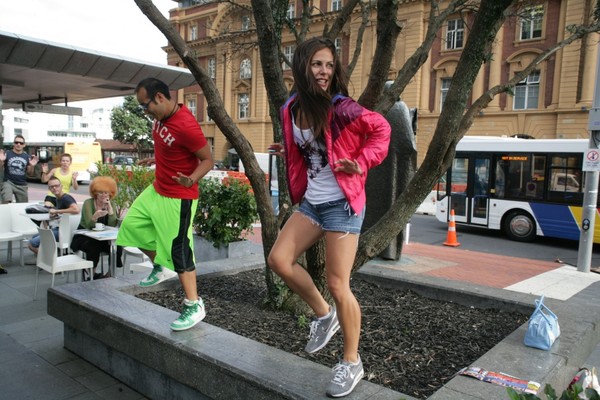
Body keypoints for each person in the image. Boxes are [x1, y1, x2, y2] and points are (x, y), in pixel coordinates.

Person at [267, 37, 391, 398]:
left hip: (343, 203)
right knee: (278, 259)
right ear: (302, 66)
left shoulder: (342, 107)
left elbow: (381, 129)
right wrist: (288, 147)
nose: (323, 72)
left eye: (329, 65)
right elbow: (308, 147)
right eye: (317, 64)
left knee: (339, 284)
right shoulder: (290, 108)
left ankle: (351, 362)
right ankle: (324, 316)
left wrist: (362, 161)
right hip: (313, 202)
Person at [116, 77, 214, 331]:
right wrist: (156, 162)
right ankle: (160, 267)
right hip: (157, 188)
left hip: (178, 196)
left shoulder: (186, 126)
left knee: (179, 249)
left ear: (159, 98)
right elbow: (170, 149)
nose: (144, 111)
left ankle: (194, 304)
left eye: (144, 105)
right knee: (131, 227)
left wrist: (190, 179)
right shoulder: (161, 120)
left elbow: (207, 160)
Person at [70, 176, 122, 280]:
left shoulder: (111, 203)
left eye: (106, 193)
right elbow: (89, 225)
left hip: (101, 237)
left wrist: (111, 209)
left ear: (110, 193)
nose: (103, 195)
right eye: (100, 192)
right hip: (84, 236)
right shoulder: (88, 203)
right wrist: (95, 216)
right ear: (95, 192)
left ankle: (110, 273)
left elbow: (112, 225)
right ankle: (91, 274)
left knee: (118, 245)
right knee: (93, 246)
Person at [27, 177, 79, 254]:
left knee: (31, 244)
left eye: (57, 185)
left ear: (61, 186)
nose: (54, 188)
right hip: (61, 228)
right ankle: (50, 257)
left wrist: (57, 211)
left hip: (64, 232)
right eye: (52, 187)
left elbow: (76, 210)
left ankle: (49, 260)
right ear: (49, 189)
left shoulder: (66, 198)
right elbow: (65, 214)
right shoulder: (58, 198)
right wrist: (56, 215)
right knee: (34, 237)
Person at [0, 134, 39, 203]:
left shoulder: (27, 157)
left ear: (24, 145)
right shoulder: (7, 154)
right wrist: (1, 160)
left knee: (22, 206)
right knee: (6, 200)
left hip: (22, 184)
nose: (18, 144)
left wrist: (32, 165)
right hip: (9, 182)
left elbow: (30, 173)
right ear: (13, 144)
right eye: (16, 142)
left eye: (21, 143)